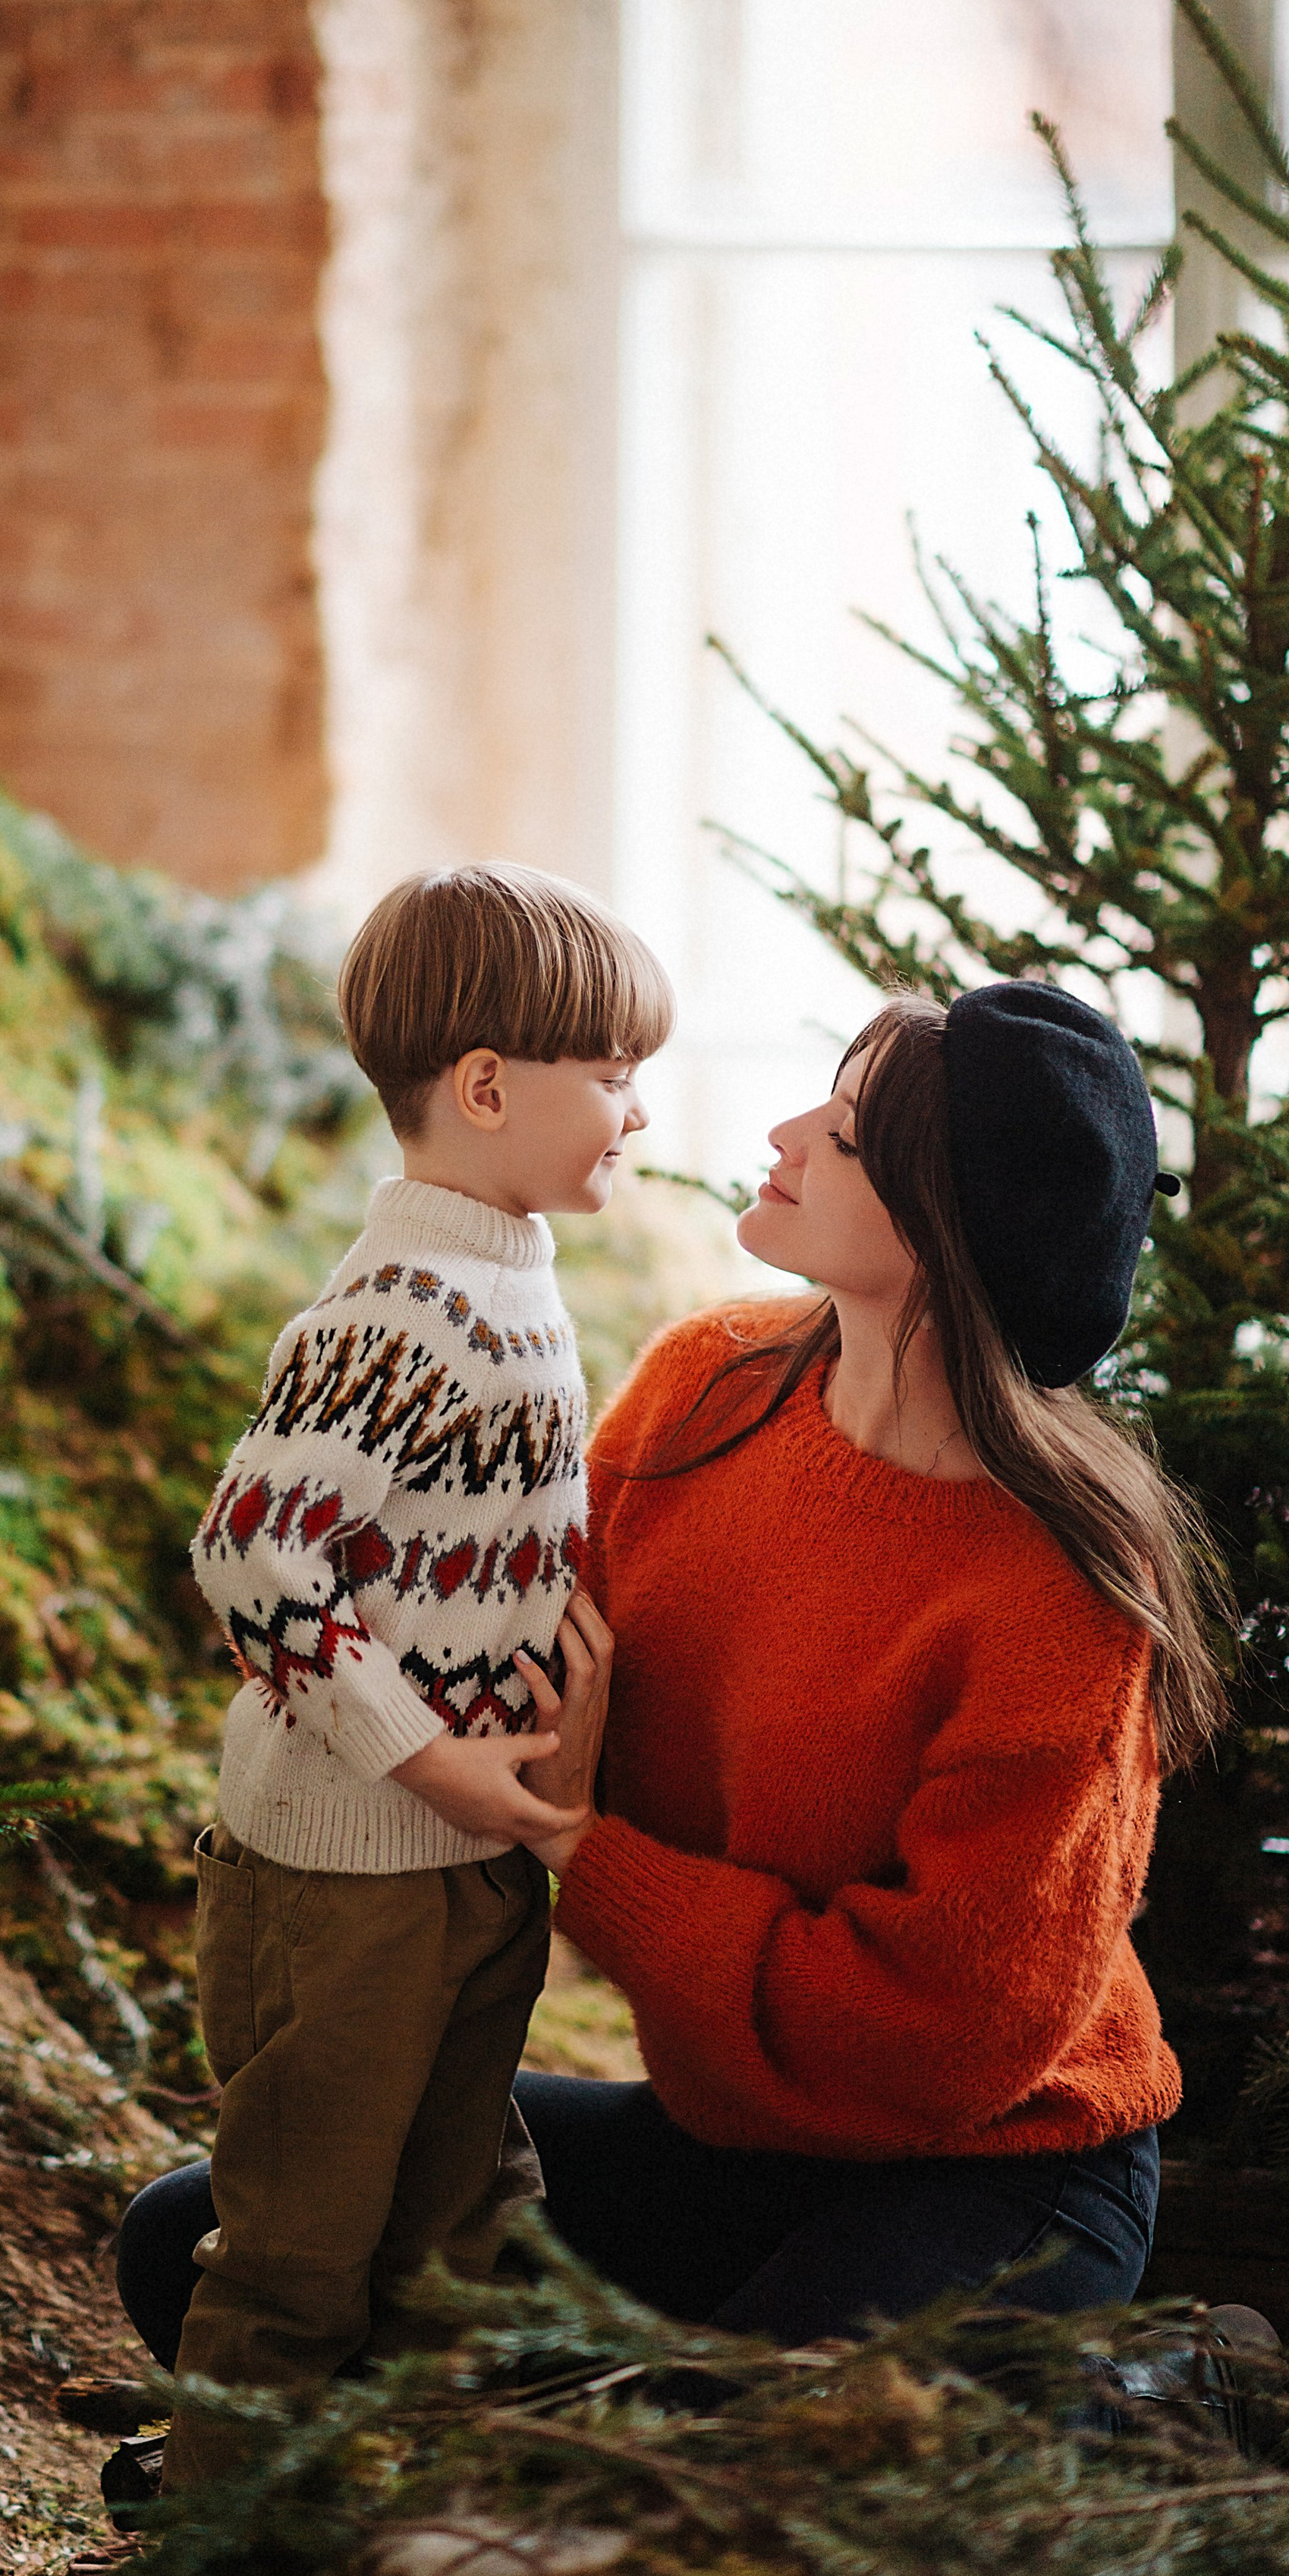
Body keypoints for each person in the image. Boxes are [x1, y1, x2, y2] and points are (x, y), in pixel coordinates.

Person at [118, 980, 1229, 2379]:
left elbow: (933, 2043)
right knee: (201, 2244)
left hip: (998, 2168)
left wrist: (589, 1849)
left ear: (950, 1222)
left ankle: (1153, 2403)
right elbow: (483, 1641)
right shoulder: (708, 1387)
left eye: (845, 1132)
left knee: (745, 2449)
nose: (786, 1133)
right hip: (727, 2137)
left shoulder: (1057, 1596)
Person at [152, 861, 673, 2486]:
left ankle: (411, 2522)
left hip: (467, 1858)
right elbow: (253, 1552)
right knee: (299, 2250)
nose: (639, 1111)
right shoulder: (405, 1307)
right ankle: (229, 2533)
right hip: (346, 1873)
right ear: (487, 1086)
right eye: (614, 1075)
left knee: (461, 2229)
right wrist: (428, 1756)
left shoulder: (510, 1270)